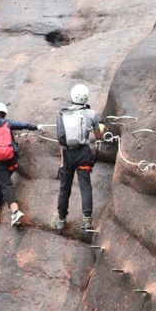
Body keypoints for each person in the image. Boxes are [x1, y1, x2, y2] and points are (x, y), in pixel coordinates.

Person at [0, 102, 44, 227]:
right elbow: (23, 125)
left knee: (5, 184)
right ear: (5, 115)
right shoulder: (9, 123)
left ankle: (15, 211)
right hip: (11, 159)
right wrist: (37, 127)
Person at [53, 85, 103, 231]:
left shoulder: (62, 113)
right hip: (83, 153)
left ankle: (61, 219)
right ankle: (87, 219)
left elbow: (61, 135)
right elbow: (98, 137)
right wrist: (100, 128)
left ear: (72, 97)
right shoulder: (92, 114)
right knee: (85, 186)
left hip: (68, 153)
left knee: (65, 187)